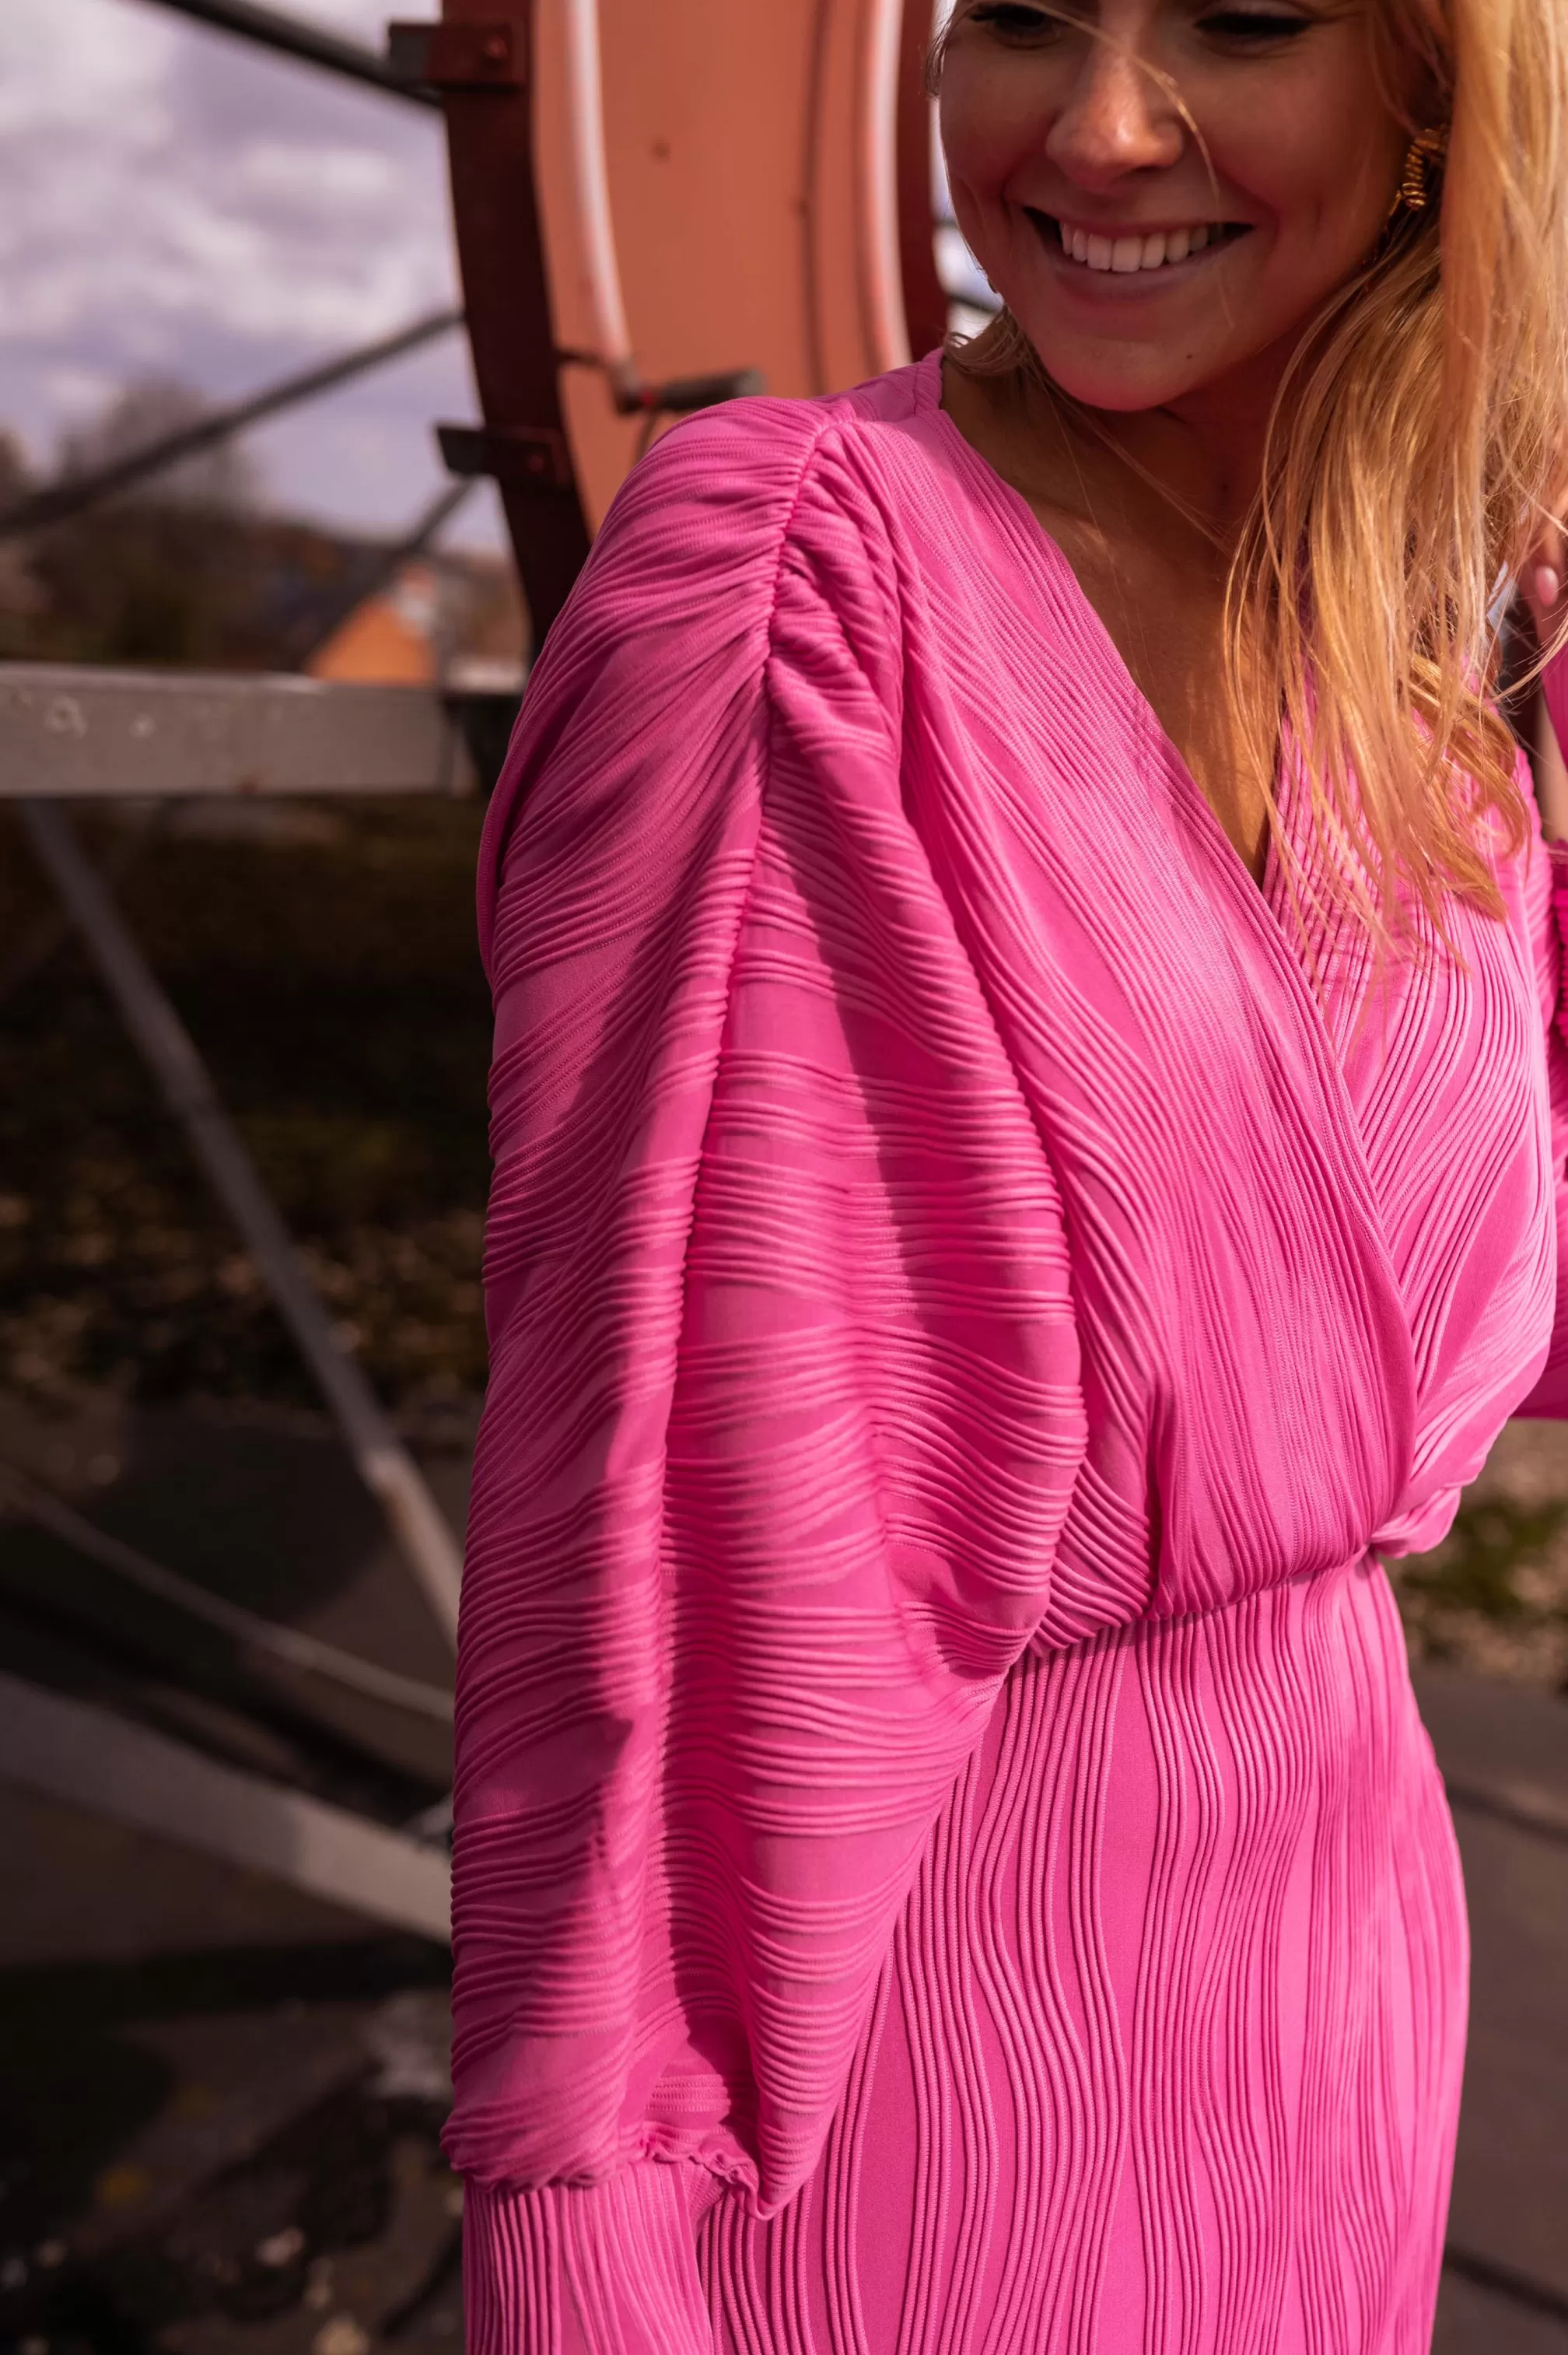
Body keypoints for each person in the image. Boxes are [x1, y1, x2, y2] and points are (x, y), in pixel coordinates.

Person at [443, 0, 1568, 2346]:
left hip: (1343, 1983)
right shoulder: (798, 588)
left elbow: (1497, 1299)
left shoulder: (1421, 662)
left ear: (1439, 94)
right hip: (930, 2053)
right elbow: (646, 1555)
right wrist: (592, 2230)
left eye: (1239, 19)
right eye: (1021, 17)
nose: (1099, 127)